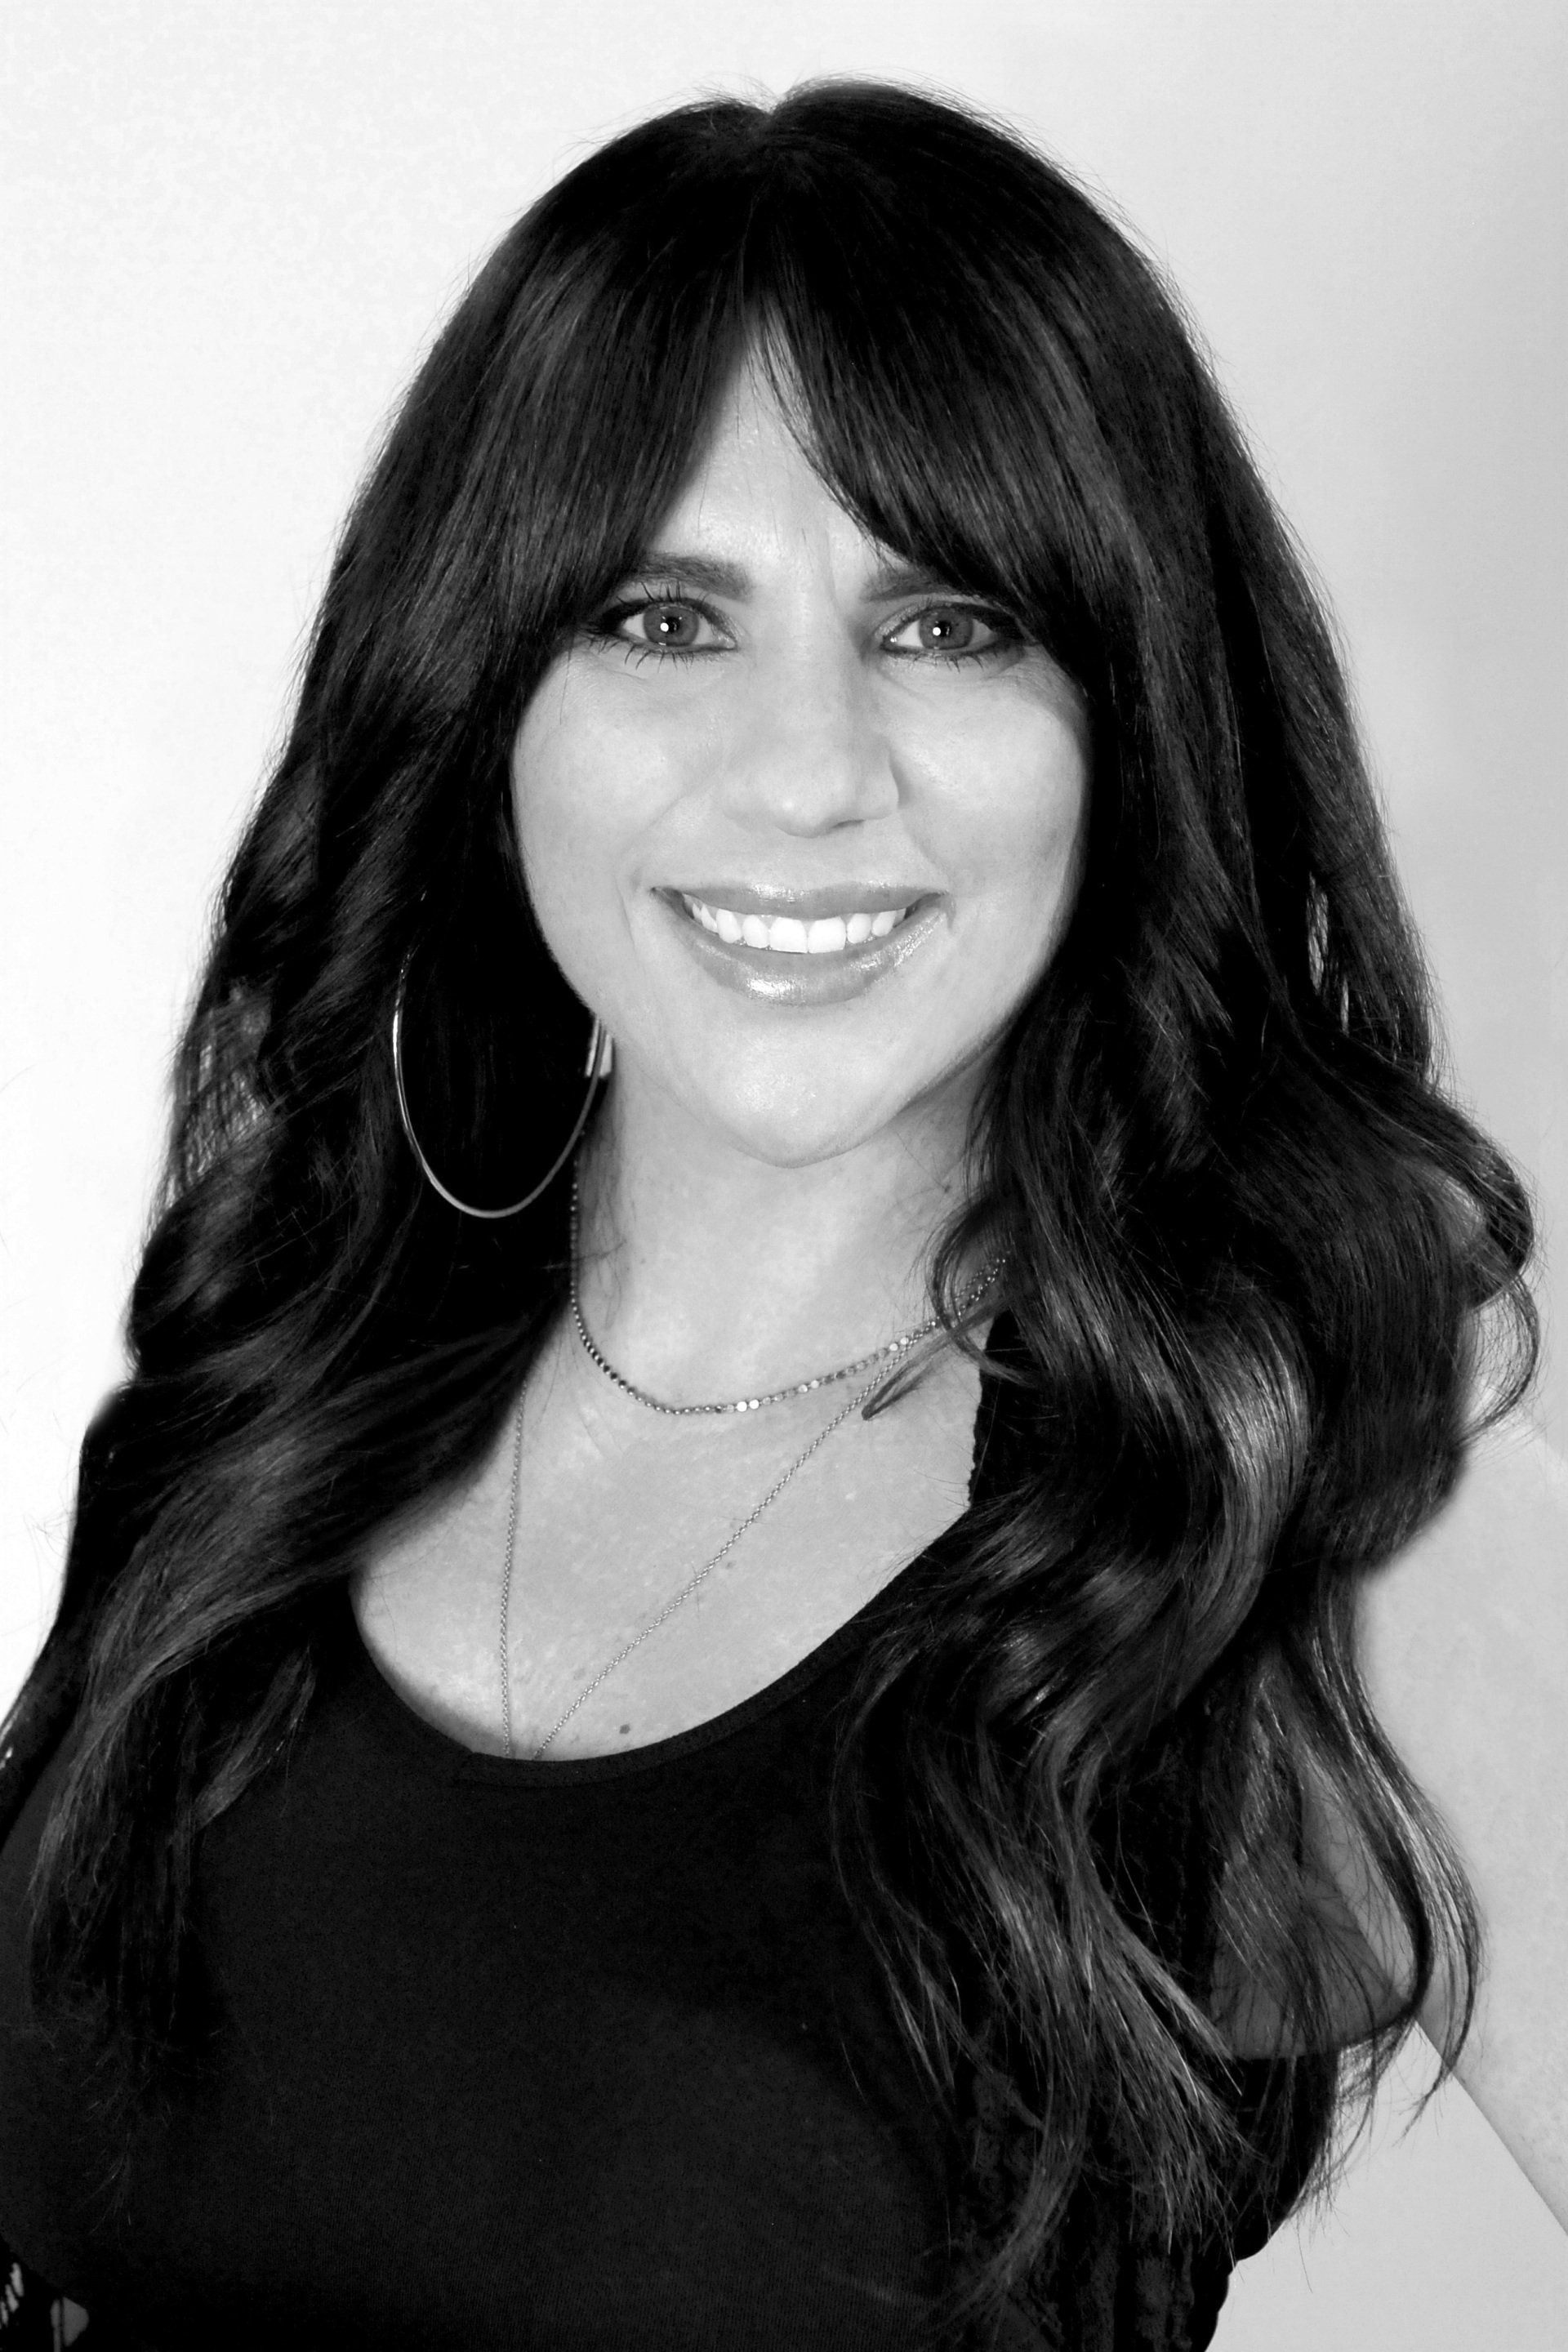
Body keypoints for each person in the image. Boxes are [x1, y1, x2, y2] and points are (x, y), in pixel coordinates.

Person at [0, 77, 1561, 2352]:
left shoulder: (1303, 1486)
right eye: (661, 616)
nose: (811, 769)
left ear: (1131, 719)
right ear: (485, 699)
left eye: (949, 625)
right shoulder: (296, 1361)